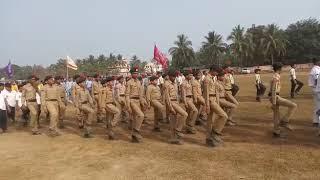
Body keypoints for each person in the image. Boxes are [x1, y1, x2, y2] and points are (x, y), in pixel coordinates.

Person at [269, 62, 297, 138]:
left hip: (274, 97)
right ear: (279, 69)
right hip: (275, 97)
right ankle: (284, 121)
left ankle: (276, 132)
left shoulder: (276, 76)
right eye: (282, 68)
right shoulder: (276, 77)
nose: (282, 70)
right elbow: (274, 90)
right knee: (293, 105)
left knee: (276, 115)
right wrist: (274, 102)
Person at [203, 66, 228, 147]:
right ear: (213, 70)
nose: (217, 73)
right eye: (216, 71)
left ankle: (208, 139)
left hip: (213, 99)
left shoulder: (212, 78)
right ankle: (215, 132)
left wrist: (217, 102)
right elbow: (206, 93)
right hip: (210, 100)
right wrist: (207, 105)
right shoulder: (207, 79)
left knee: (210, 121)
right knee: (224, 115)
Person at [164, 70, 188, 145]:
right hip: (171, 102)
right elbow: (167, 97)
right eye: (173, 76)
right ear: (169, 76)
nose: (174, 78)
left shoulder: (175, 83)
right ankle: (178, 130)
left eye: (175, 76)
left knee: (173, 120)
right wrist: (170, 107)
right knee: (184, 114)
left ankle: (174, 138)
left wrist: (178, 103)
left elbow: (177, 94)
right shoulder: (166, 84)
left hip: (176, 102)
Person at [125, 66, 147, 143]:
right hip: (132, 101)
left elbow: (141, 94)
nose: (136, 74)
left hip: (138, 101)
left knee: (135, 119)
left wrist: (143, 101)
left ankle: (133, 137)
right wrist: (128, 105)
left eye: (137, 73)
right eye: (134, 73)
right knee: (141, 115)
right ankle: (136, 131)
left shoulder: (139, 82)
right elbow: (127, 95)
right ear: (131, 74)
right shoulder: (129, 82)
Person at [181, 70, 198, 134]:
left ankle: (187, 128)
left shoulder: (190, 82)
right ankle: (190, 124)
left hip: (190, 98)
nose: (191, 76)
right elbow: (183, 94)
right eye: (190, 75)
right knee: (195, 110)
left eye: (191, 75)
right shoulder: (183, 83)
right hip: (187, 99)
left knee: (189, 113)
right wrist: (185, 102)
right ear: (186, 76)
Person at [308, 58, 320, 126]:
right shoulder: (316, 70)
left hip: (316, 89)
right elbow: (316, 80)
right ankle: (317, 121)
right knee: (318, 106)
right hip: (317, 90)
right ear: (317, 62)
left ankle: (316, 121)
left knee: (317, 105)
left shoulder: (315, 69)